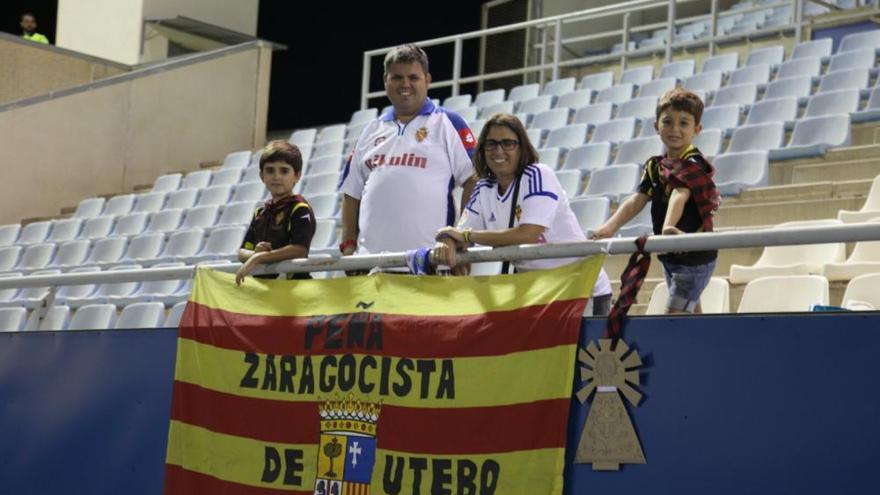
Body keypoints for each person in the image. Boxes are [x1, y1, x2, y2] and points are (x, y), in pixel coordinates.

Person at [433, 113, 613, 316]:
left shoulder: (537, 174)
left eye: (508, 143)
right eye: (491, 144)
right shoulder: (484, 186)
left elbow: (528, 234)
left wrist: (466, 236)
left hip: (582, 289)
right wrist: (447, 239)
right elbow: (458, 233)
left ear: (522, 147)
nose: (498, 150)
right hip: (540, 293)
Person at [338, 44, 477, 263]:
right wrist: (348, 245)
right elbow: (351, 194)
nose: (405, 84)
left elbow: (474, 180)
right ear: (386, 81)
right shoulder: (371, 130)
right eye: (397, 78)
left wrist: (458, 236)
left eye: (413, 77)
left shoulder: (448, 122)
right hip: (371, 266)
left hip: (430, 262)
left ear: (427, 80)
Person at [591, 88, 720, 314]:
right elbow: (638, 199)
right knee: (692, 314)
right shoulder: (654, 166)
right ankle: (706, 346)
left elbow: (681, 193)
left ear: (697, 129)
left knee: (674, 315)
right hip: (671, 253)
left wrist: (668, 227)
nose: (675, 129)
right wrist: (609, 227)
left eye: (684, 123)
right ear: (656, 126)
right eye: (668, 122)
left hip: (694, 256)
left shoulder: (694, 162)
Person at [236, 140, 316, 285]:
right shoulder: (260, 212)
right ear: (262, 176)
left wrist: (259, 258)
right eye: (270, 170)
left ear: (297, 176)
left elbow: (300, 250)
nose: (276, 176)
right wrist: (255, 253)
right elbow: (242, 251)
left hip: (294, 290)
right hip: (266, 293)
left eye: (284, 171)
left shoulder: (300, 208)